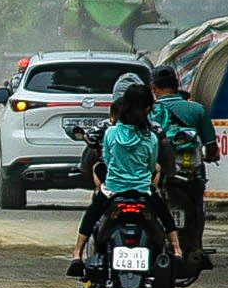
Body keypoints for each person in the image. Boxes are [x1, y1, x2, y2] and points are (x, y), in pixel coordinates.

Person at [71, 76, 176, 273]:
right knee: (164, 213)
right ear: (148, 108)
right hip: (143, 191)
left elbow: (107, 161)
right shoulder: (153, 134)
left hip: (113, 190)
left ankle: (77, 254)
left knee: (92, 213)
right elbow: (152, 164)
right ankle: (177, 250)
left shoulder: (109, 131)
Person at [152, 65, 219, 272]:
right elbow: (211, 146)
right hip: (191, 176)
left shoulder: (151, 111)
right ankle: (196, 245)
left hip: (159, 176)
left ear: (154, 88)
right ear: (177, 85)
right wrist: (211, 156)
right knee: (197, 211)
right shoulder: (196, 109)